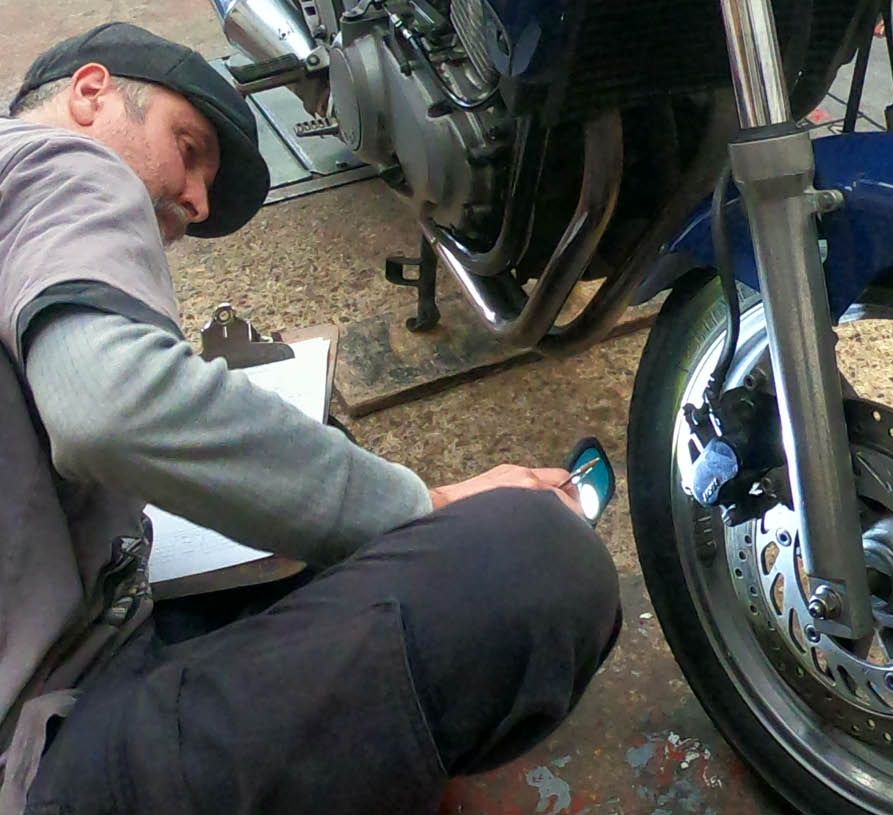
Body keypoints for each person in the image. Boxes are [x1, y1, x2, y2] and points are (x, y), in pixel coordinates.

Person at [0, 22, 621, 815]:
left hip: (73, 660)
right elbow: (105, 404)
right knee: (534, 554)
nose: (193, 202)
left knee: (320, 482)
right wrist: (423, 503)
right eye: (187, 148)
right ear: (90, 94)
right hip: (45, 758)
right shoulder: (54, 161)